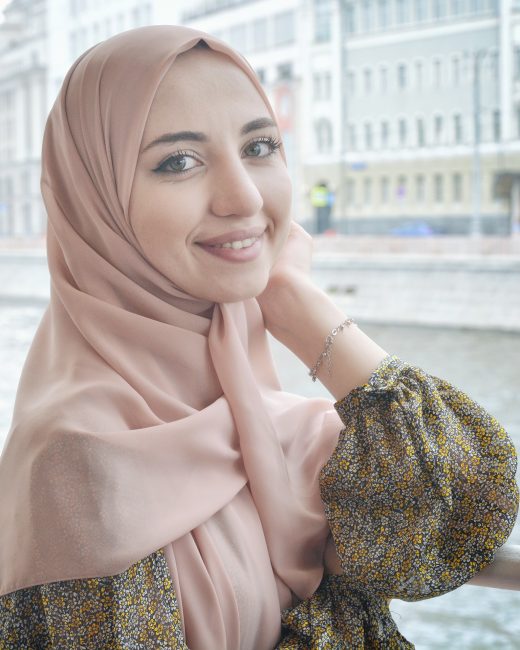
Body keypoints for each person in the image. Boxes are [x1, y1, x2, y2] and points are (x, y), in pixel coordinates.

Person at [0, 25, 518, 649]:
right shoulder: (83, 464)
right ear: (96, 206)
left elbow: (460, 516)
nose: (243, 196)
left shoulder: (256, 411)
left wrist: (301, 309)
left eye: (260, 146)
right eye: (178, 162)